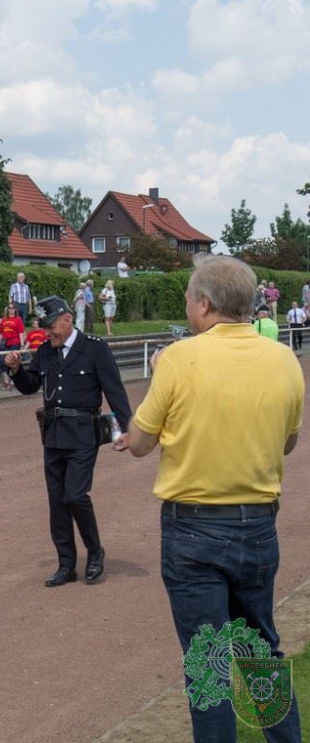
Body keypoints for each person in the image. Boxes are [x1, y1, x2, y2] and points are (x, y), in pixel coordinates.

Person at [116, 255, 303, 742]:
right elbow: (287, 442)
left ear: (203, 303)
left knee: (208, 664)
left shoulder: (179, 357)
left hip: (193, 529)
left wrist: (160, 374)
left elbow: (137, 444)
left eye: (187, 300)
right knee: (261, 650)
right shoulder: (283, 357)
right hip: (258, 524)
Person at [4, 296, 132, 588]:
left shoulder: (95, 348)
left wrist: (128, 428)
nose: (47, 333)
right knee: (56, 502)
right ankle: (66, 564)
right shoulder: (45, 352)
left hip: (84, 433)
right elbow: (29, 386)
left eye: (51, 326)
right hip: (53, 434)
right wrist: (16, 369)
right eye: (44, 327)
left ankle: (95, 552)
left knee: (75, 495)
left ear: (67, 319)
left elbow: (115, 391)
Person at [0, 303, 25, 390]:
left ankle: (13, 382)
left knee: (12, 362)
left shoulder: (18, 319)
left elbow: (21, 333)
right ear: (7, 309)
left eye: (13, 308)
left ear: (15, 309)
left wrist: (22, 345)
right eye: (9, 308)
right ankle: (6, 382)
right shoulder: (4, 320)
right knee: (2, 362)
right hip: (5, 343)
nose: (11, 309)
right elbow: (1, 333)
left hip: (15, 342)